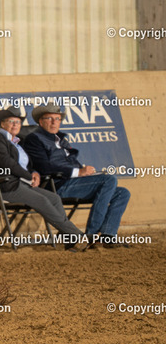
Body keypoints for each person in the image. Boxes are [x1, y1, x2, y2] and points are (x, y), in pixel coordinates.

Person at [23, 105, 131, 248]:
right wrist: (78, 172)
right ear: (40, 122)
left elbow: (73, 163)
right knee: (109, 180)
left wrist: (86, 172)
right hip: (57, 184)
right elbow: (44, 167)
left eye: (57, 119)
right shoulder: (34, 139)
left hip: (75, 183)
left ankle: (107, 235)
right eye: (49, 118)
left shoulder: (61, 140)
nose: (54, 122)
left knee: (122, 193)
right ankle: (91, 235)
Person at [0, 107, 88, 251]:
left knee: (54, 199)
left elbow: (27, 165)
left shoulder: (17, 142)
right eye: (11, 122)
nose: (15, 125)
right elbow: (8, 164)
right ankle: (77, 235)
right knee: (42, 201)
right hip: (3, 186)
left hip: (20, 184)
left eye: (18, 122)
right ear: (2, 124)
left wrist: (34, 172)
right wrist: (29, 176)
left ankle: (69, 239)